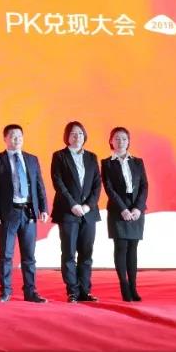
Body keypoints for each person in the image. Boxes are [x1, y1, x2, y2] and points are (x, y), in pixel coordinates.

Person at [0, 124, 49, 303]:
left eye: (20, 136)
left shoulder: (31, 159)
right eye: (13, 136)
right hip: (8, 213)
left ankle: (31, 291)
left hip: (28, 212)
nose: (17, 139)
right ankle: (5, 291)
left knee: (29, 256)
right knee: (6, 254)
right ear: (5, 138)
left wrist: (43, 208)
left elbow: (39, 185)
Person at [51, 121, 102, 303]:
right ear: (67, 136)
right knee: (69, 253)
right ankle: (72, 291)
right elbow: (58, 183)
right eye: (73, 133)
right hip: (68, 211)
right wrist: (73, 205)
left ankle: (85, 291)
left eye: (80, 133)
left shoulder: (91, 157)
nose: (77, 136)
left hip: (89, 212)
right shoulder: (59, 156)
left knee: (86, 253)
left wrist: (88, 205)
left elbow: (97, 184)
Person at [101, 127, 148, 302]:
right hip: (117, 209)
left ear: (128, 141)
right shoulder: (106, 163)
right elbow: (109, 188)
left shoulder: (138, 162)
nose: (121, 142)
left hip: (136, 209)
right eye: (117, 138)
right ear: (111, 141)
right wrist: (123, 209)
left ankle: (134, 287)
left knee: (133, 249)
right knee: (121, 247)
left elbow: (144, 186)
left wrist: (138, 208)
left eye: (124, 138)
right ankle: (124, 286)